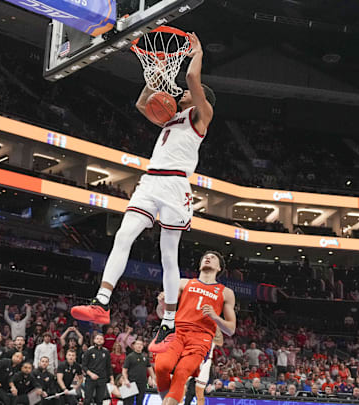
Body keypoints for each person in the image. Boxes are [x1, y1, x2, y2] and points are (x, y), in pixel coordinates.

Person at [71, 31, 217, 354]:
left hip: (176, 185)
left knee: (168, 254)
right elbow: (141, 103)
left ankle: (167, 325)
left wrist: (197, 53)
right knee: (124, 235)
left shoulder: (200, 117)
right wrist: (158, 72)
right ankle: (102, 302)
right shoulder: (171, 116)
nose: (181, 93)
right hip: (150, 182)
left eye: (188, 92)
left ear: (199, 97)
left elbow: (193, 76)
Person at [154, 251, 236, 405]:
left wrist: (215, 317)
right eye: (205, 257)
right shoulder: (183, 282)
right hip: (177, 330)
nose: (208, 258)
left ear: (219, 268)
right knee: (161, 367)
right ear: (200, 265)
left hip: (201, 337)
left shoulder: (226, 293)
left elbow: (231, 329)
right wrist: (161, 304)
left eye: (213, 258)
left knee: (182, 373)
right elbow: (161, 314)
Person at [81, 333, 114, 405]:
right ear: (94, 340)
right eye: (97, 339)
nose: (99, 340)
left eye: (101, 339)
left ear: (103, 341)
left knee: (100, 400)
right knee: (87, 399)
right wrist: (91, 374)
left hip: (102, 379)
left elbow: (108, 366)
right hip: (90, 379)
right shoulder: (89, 351)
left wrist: (112, 379)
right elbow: (84, 366)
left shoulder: (106, 351)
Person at [121, 339, 154, 405]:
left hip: (142, 382)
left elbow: (150, 368)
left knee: (140, 401)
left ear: (143, 346)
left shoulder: (145, 357)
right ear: (134, 346)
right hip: (131, 382)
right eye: (138, 344)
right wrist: (126, 380)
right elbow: (124, 370)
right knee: (128, 402)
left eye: (141, 344)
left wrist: (152, 378)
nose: (139, 346)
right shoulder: (130, 356)